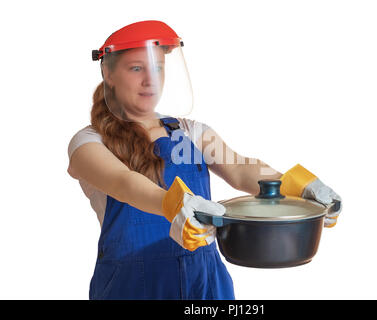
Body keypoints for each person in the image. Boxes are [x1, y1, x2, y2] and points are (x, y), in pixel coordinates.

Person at [67, 20, 342, 300]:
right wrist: (172, 204)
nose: (151, 80)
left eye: (158, 67)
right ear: (108, 73)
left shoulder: (190, 131)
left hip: (206, 284)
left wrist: (298, 187)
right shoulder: (89, 142)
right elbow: (123, 182)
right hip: (132, 287)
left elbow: (239, 167)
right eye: (137, 68)